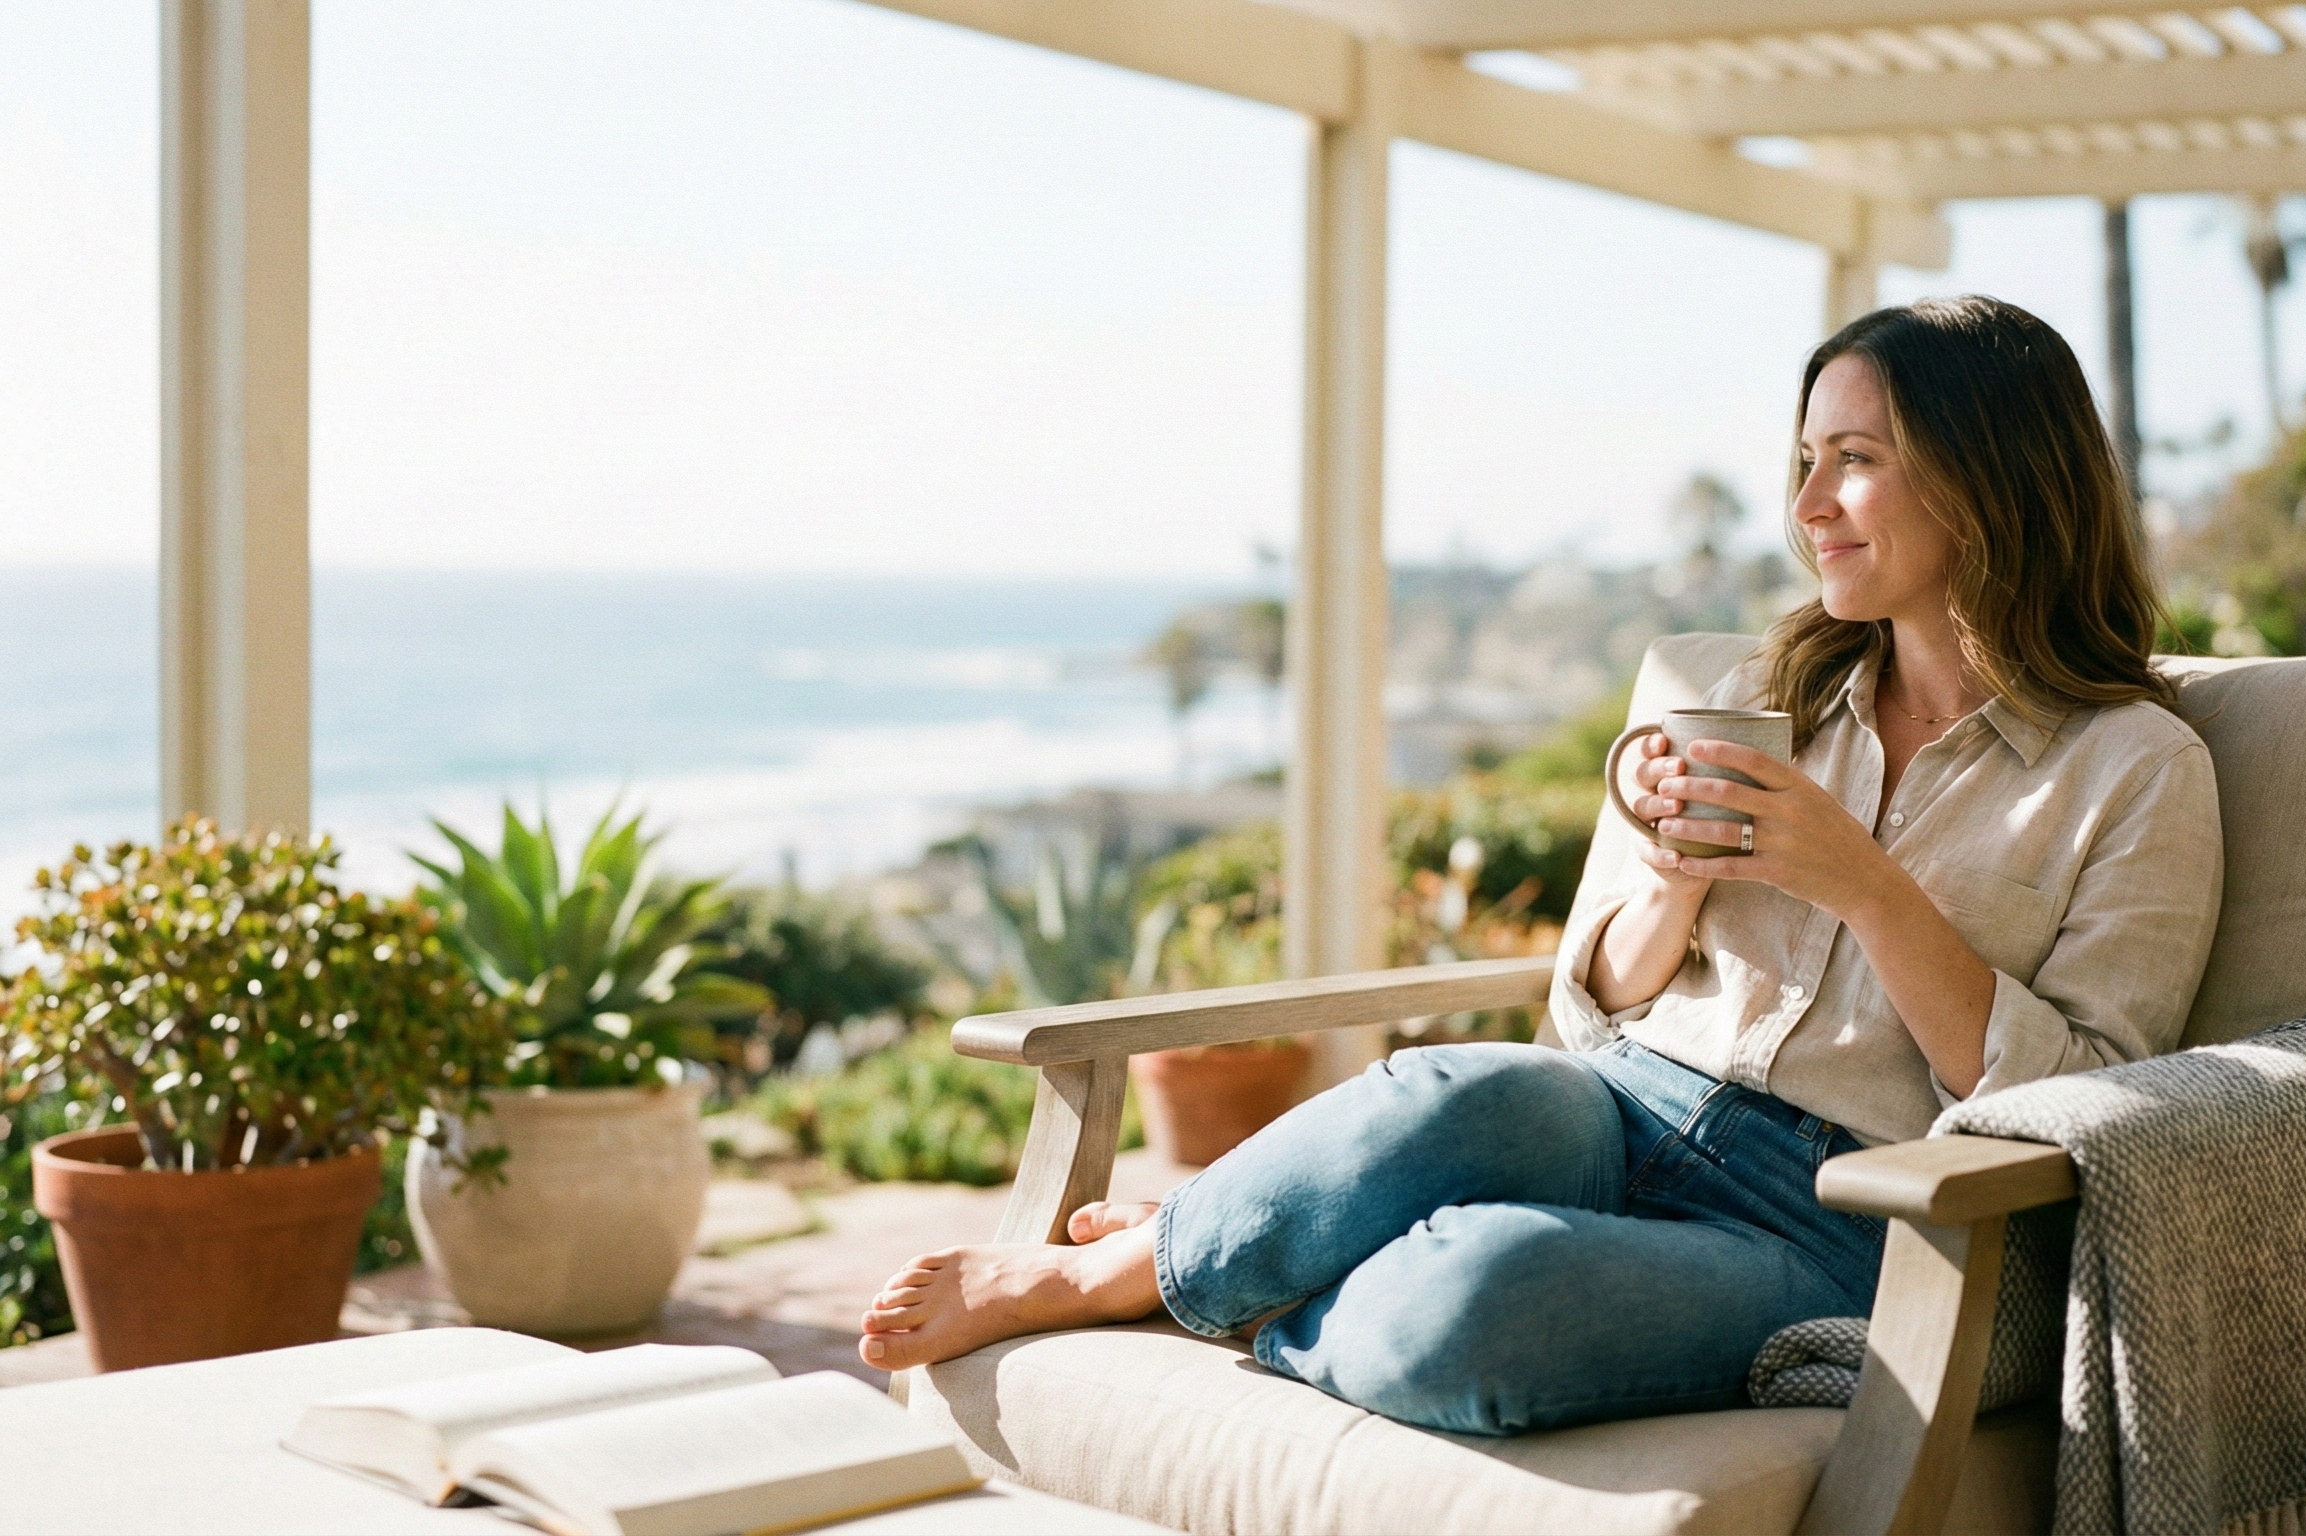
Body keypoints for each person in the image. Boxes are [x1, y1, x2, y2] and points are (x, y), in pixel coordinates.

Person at [856, 296, 2224, 1438]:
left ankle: (1229, 1258)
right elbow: (1605, 1001)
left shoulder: (2134, 769)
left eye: (1852, 459)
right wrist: (1679, 882)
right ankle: (1119, 1271)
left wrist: (1863, 882)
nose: (1807, 504)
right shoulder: (1765, 696)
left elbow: (2092, 1110)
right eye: (1803, 459)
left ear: (1989, 476)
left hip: (1847, 1220)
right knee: (1439, 1095)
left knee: (1471, 1304)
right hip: (1621, 1101)